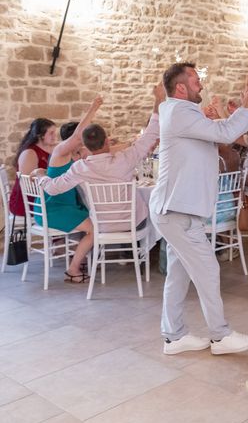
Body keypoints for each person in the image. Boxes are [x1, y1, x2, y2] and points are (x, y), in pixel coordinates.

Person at [150, 62, 248, 356]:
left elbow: (211, 135)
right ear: (181, 87)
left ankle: (174, 336)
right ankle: (220, 335)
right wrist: (247, 108)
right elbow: (226, 133)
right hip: (178, 211)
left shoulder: (177, 111)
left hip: (174, 209)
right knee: (208, 269)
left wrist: (206, 119)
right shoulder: (179, 111)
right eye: (196, 80)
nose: (201, 84)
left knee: (179, 273)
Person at [34, 86, 164, 233]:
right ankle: (143, 253)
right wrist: (158, 99)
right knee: (154, 211)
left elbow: (52, 188)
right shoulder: (125, 159)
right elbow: (151, 134)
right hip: (133, 224)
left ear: (86, 147)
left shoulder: (79, 168)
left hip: (102, 226)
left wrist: (41, 176)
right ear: (107, 141)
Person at [36, 97, 103, 283]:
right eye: (81, 136)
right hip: (53, 209)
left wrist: (132, 145)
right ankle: (73, 269)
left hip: (63, 207)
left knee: (93, 218)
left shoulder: (76, 155)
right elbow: (76, 136)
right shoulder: (60, 151)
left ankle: (81, 259)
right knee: (96, 228)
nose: (83, 140)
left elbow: (105, 150)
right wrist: (93, 108)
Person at [9, 118, 57, 217]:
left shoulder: (49, 149)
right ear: (40, 135)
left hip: (41, 197)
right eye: (51, 133)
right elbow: (28, 186)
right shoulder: (29, 153)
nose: (55, 136)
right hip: (27, 203)